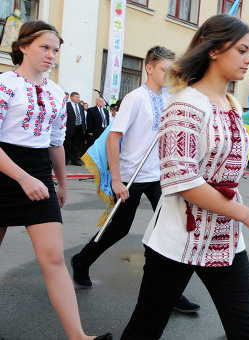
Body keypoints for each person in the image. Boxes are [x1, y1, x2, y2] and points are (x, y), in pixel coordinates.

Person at [121, 14, 249, 340]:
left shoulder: (234, 106)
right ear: (214, 50)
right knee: (145, 329)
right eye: (242, 50)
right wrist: (246, 214)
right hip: (177, 236)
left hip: (225, 239)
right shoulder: (184, 104)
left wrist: (238, 215)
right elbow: (181, 180)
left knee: (248, 331)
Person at [0, 20, 111, 340]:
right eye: (44, 48)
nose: (51, 55)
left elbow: (56, 142)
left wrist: (60, 184)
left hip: (37, 173)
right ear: (23, 47)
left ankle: (78, 336)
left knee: (53, 258)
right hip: (5, 171)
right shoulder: (5, 84)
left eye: (56, 50)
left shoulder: (55, 92)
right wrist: (22, 178)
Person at [70, 46, 199, 312]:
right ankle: (81, 261)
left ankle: (170, 293)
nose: (169, 74)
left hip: (158, 177)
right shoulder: (135, 98)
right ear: (149, 68)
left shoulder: (168, 98)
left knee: (171, 229)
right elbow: (114, 138)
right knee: (119, 229)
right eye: (165, 69)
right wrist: (116, 180)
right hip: (130, 175)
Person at [64, 91, 86, 166]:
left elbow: (82, 117)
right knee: (68, 144)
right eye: (77, 97)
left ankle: (75, 160)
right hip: (69, 128)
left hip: (79, 128)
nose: (78, 99)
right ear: (72, 97)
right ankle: (66, 159)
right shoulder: (67, 105)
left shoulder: (80, 106)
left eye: (79, 97)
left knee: (76, 145)